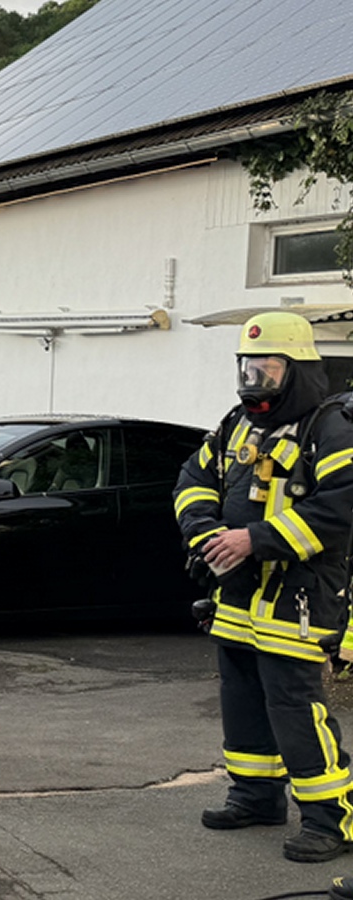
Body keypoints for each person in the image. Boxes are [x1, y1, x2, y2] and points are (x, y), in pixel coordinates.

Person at [174, 311, 353, 863]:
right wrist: (206, 533)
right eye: (247, 370)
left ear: (297, 370)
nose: (254, 383)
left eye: (267, 371)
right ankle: (255, 795)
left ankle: (331, 819)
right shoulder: (238, 424)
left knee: (294, 706)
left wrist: (256, 540)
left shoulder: (334, 427)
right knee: (242, 698)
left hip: (299, 595)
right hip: (237, 592)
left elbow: (341, 505)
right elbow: (194, 479)